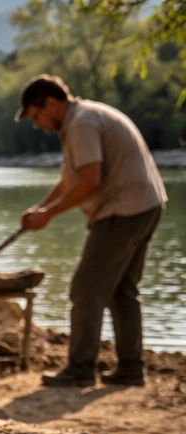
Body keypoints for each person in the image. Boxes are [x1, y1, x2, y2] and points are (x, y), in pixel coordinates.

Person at [15, 75, 167, 387]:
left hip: (123, 210)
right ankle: (131, 368)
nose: (37, 125)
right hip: (146, 205)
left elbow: (90, 181)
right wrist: (39, 209)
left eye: (36, 116)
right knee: (123, 291)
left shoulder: (82, 124)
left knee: (86, 289)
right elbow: (69, 181)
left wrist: (48, 214)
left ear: (51, 104)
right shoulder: (81, 119)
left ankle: (81, 368)